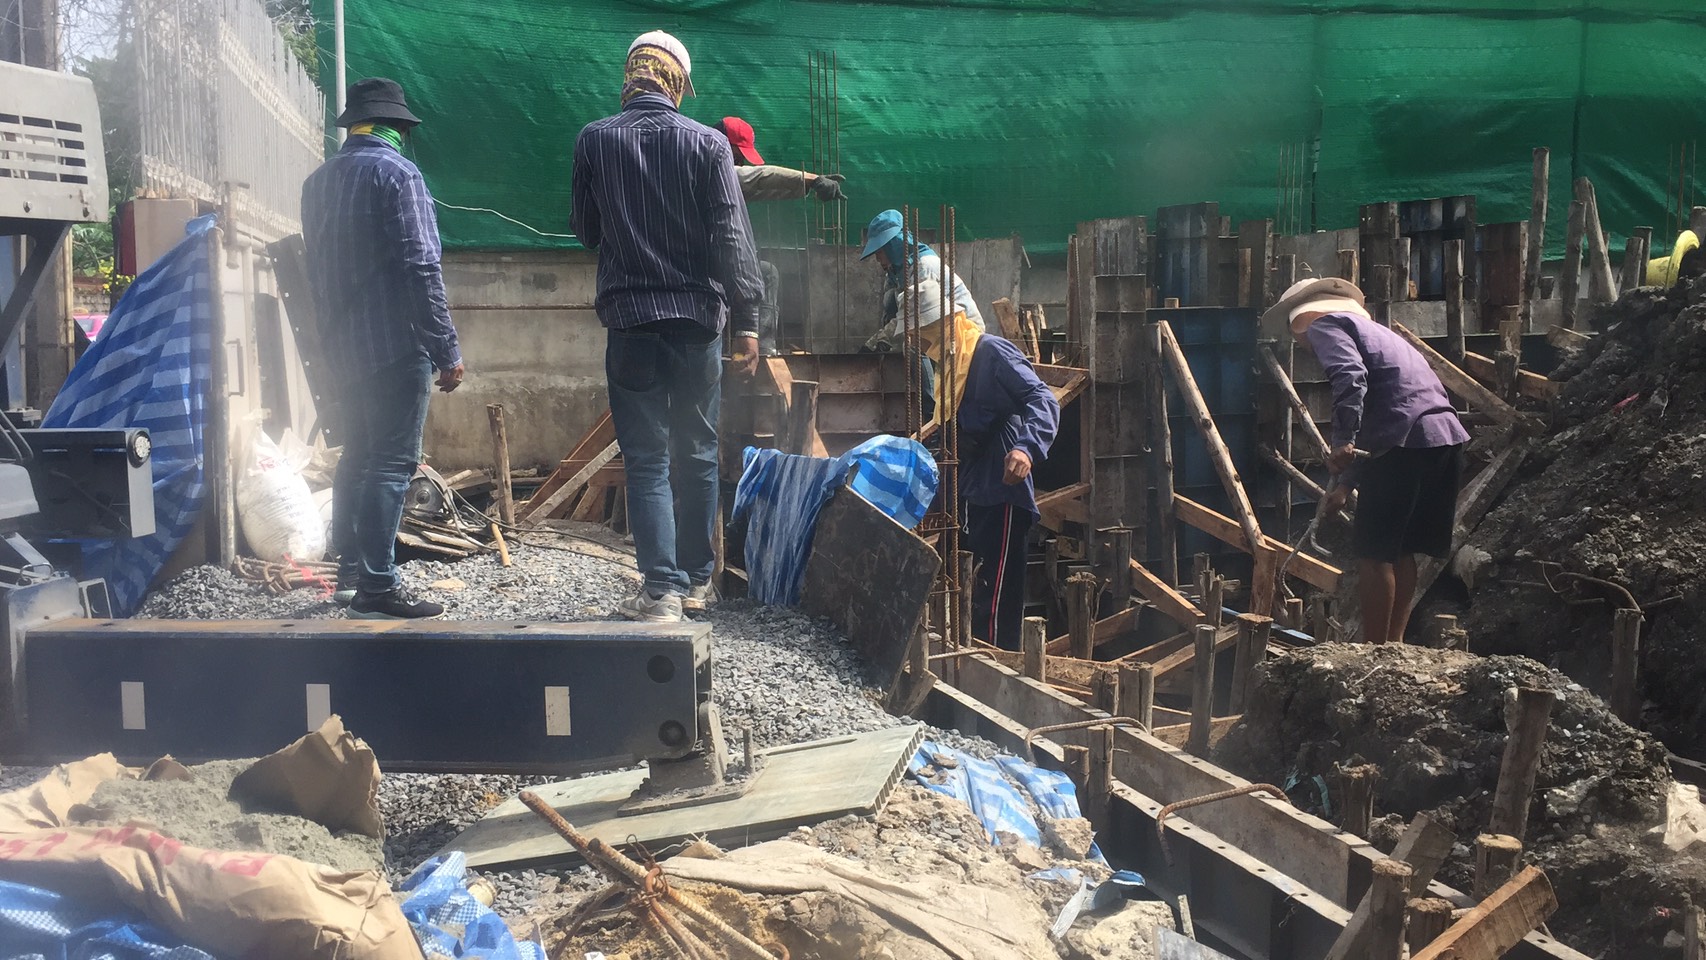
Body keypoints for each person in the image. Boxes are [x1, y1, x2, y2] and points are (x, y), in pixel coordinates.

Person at [571, 31, 765, 623]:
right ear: (677, 82)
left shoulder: (595, 139)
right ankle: (697, 582)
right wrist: (749, 321)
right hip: (697, 324)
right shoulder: (709, 144)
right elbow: (732, 236)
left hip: (630, 322)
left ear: (631, 74)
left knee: (647, 457)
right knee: (697, 451)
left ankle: (659, 594)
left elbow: (586, 231)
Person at [301, 77, 463, 621]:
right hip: (396, 344)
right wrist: (446, 349)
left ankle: (350, 577)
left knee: (358, 455)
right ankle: (377, 586)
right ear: (398, 127)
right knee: (393, 463)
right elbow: (421, 266)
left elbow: (316, 270)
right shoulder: (398, 174)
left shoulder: (317, 183)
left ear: (353, 125)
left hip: (343, 349)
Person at [1267, 278, 1470, 645]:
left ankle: (1374, 649)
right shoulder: (1378, 335)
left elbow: (1350, 379)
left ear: (1300, 323)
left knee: (1373, 554)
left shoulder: (1324, 325)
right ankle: (1393, 645)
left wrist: (1342, 440)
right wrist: (1345, 486)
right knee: (1402, 549)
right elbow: (1382, 412)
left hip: (1404, 443)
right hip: (1442, 439)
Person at [920, 308, 1059, 650]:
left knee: (995, 597)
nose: (918, 343)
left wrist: (1026, 448)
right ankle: (971, 657)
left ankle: (996, 663)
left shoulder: (990, 352)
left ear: (939, 326)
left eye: (920, 334)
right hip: (969, 485)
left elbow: (1042, 398)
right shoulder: (950, 365)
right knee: (971, 587)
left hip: (1001, 486)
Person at [713, 116, 845, 357]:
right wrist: (811, 179)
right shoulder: (714, 169)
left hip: (719, 260)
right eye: (738, 154)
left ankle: (764, 346)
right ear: (723, 145)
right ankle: (736, 347)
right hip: (709, 265)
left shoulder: (725, 180)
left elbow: (765, 189)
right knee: (754, 277)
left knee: (766, 273)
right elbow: (761, 177)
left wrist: (806, 187)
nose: (741, 161)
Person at [859, 209, 984, 420]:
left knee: (913, 346)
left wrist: (877, 340)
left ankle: (932, 415)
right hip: (940, 329)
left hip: (964, 331)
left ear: (893, 246)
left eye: (880, 251)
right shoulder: (901, 270)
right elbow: (899, 310)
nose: (878, 258)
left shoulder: (924, 267)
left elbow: (913, 315)